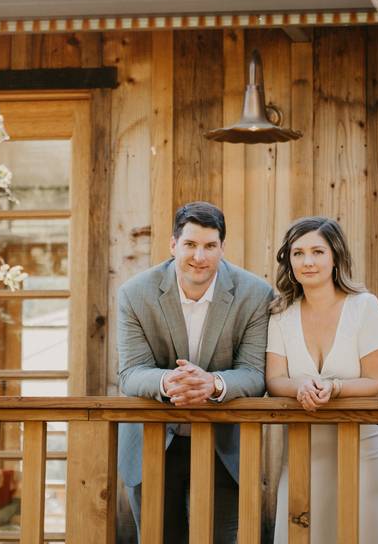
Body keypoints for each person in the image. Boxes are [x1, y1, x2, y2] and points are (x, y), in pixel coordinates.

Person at [116, 201, 273, 543]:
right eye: (190, 244)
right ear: (173, 245)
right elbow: (130, 373)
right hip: (153, 440)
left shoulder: (256, 295)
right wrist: (168, 380)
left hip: (225, 444)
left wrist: (213, 383)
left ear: (222, 248)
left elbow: (254, 373)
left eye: (209, 246)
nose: (199, 257)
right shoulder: (134, 293)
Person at [265, 216, 378, 544]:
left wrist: (334, 388)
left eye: (317, 252)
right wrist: (302, 387)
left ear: (335, 256)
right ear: (289, 260)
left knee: (363, 534)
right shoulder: (281, 314)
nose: (307, 261)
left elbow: (375, 381)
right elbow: (274, 379)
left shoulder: (365, 307)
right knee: (297, 534)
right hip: (302, 448)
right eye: (298, 253)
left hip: (363, 447)